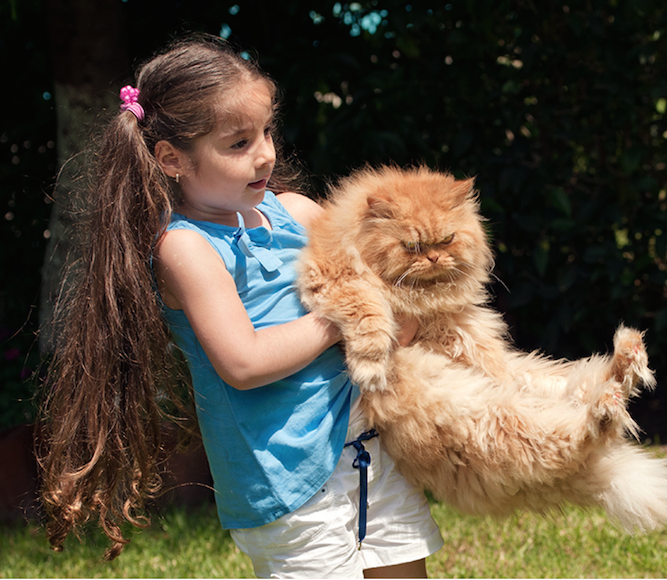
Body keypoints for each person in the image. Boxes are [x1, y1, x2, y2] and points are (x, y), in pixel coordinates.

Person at [39, 34, 443, 578]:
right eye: (238, 143)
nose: (266, 153)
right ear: (171, 158)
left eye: (267, 131)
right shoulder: (186, 247)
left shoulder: (297, 213)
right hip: (284, 480)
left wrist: (406, 298)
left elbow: (396, 322)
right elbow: (244, 362)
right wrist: (345, 314)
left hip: (368, 449)